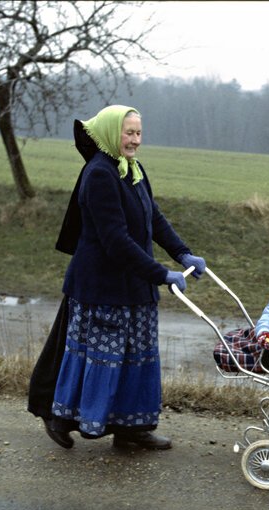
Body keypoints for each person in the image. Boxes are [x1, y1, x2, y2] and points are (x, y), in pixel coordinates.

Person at [39, 104, 205, 451]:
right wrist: (162, 274)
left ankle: (133, 428)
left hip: (134, 284)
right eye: (128, 133)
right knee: (97, 360)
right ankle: (60, 417)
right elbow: (115, 241)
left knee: (138, 358)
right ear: (113, 134)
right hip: (101, 287)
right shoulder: (99, 174)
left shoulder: (132, 168)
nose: (135, 140)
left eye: (138, 133)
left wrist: (183, 253)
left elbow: (153, 218)